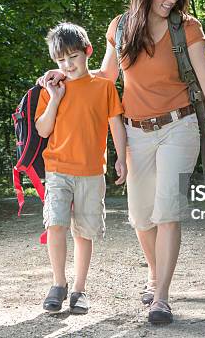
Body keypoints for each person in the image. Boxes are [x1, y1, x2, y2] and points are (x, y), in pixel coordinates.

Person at [39, 0, 205, 324]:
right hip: (136, 132)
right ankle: (155, 273)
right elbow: (106, 75)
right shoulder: (122, 26)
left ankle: (161, 297)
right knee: (141, 217)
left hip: (180, 125)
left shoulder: (187, 28)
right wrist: (67, 73)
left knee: (167, 211)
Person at [35, 22, 127, 314]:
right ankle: (58, 284)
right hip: (58, 169)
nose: (68, 64)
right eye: (61, 60)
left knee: (83, 232)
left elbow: (116, 126)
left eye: (73, 57)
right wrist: (55, 98)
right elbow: (42, 130)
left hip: (90, 171)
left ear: (87, 51)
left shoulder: (104, 88)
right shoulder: (51, 89)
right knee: (56, 225)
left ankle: (79, 290)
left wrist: (121, 157)